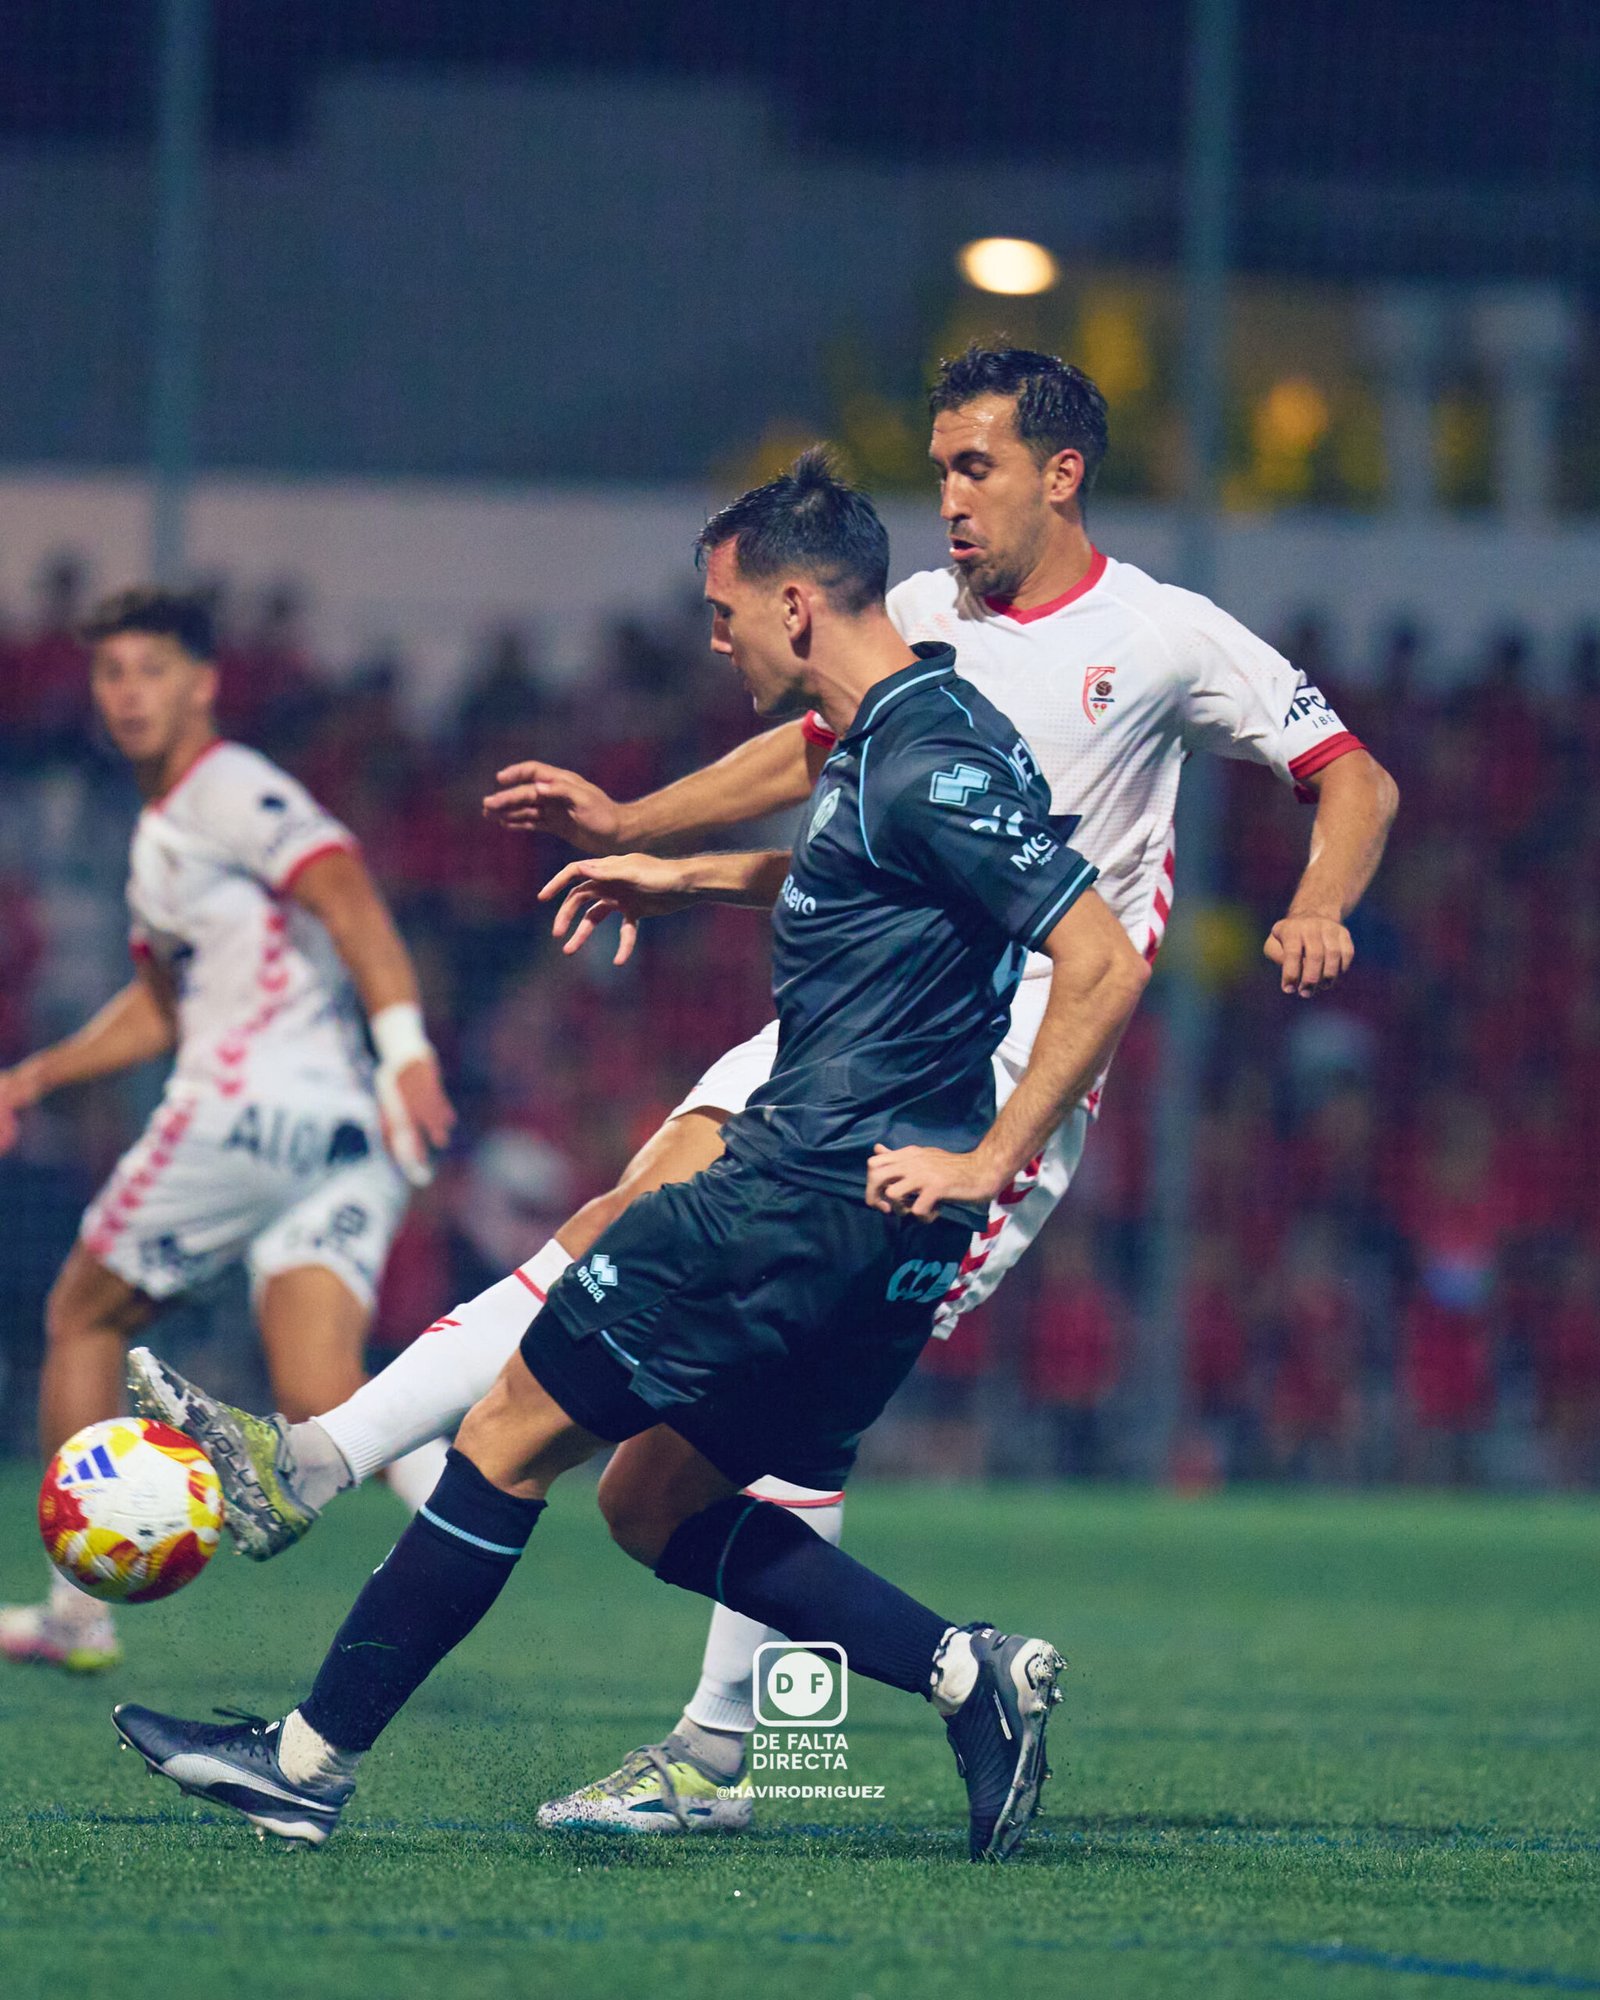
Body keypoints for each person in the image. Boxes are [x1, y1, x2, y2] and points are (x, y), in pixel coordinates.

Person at [132, 344, 1399, 1832]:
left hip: (967, 1096)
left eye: (975, 466)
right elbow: (822, 788)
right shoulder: (909, 634)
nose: (949, 499)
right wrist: (655, 843)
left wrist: (1316, 905)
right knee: (657, 1476)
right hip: (839, 1062)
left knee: (602, 1411)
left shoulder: (1160, 639)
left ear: (1063, 472)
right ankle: (851, 1702)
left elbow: (1330, 788)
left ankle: (353, 1688)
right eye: (936, 469)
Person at [0, 588, 456, 1672]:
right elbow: (160, 1004)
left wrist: (410, 1048)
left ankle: (76, 1614)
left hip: (250, 1109)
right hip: (345, 1129)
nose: (128, 693)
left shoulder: (230, 787)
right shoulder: (164, 837)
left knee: (79, 1310)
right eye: (111, 674)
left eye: (151, 670)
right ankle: (480, 1509)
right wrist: (37, 1073)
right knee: (322, 1392)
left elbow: (346, 894)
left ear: (203, 682)